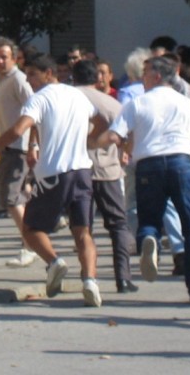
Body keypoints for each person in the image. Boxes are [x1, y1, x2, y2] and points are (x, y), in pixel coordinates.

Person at [0, 54, 107, 307]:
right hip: (83, 171)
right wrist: (91, 140)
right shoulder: (77, 95)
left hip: (54, 173)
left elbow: (16, 130)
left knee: (31, 229)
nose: (29, 80)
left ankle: (54, 262)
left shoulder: (39, 98)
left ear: (49, 73)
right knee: (83, 231)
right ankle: (90, 281)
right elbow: (101, 120)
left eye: (33, 74)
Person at [99, 54, 190, 304]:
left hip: (148, 164)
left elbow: (114, 136)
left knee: (148, 217)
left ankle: (149, 240)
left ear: (156, 76)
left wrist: (102, 145)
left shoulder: (138, 103)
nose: (142, 78)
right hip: (181, 163)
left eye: (145, 73)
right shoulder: (187, 103)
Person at [72, 60, 138, 293]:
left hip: (77, 169)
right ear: (96, 79)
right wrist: (125, 152)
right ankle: (123, 277)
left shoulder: (69, 99)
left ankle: (88, 275)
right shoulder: (112, 104)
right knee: (118, 225)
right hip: (108, 169)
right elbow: (129, 135)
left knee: (82, 227)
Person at [0, 36, 37, 268]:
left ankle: (31, 246)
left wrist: (33, 145)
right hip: (8, 146)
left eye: (4, 57)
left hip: (20, 147)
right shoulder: (2, 80)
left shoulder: (19, 80)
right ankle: (31, 242)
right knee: (19, 197)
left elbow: (35, 110)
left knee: (10, 198)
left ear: (15, 58)